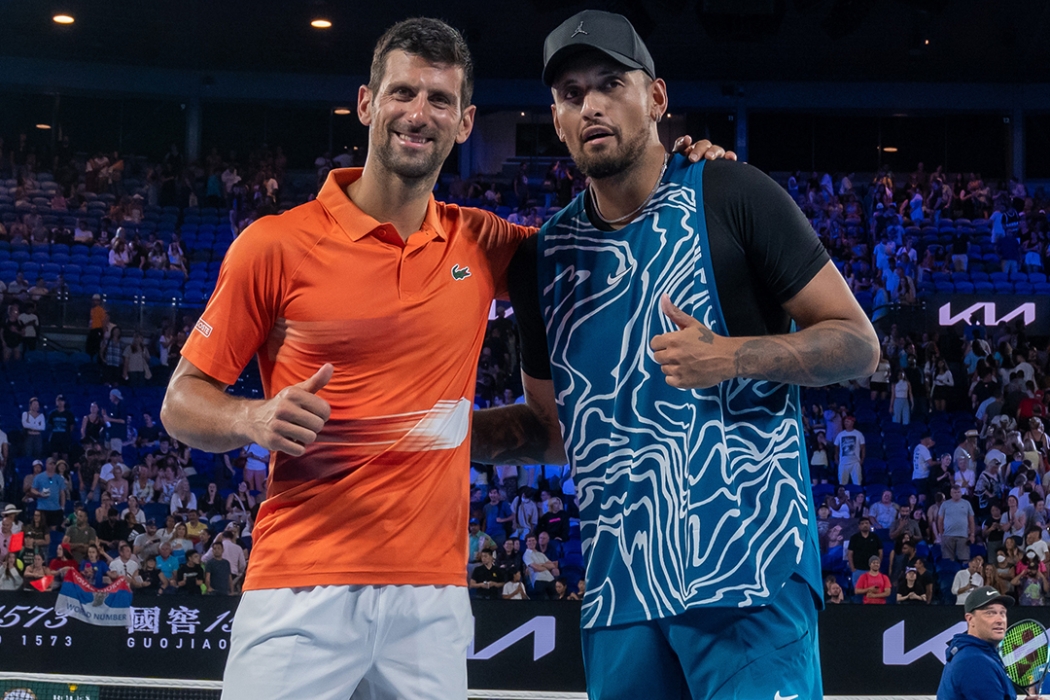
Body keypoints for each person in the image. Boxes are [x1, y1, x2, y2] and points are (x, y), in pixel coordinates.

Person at [161, 18, 724, 699]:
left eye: (438, 100)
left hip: (430, 599)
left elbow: (604, 231)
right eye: (402, 93)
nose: (417, 114)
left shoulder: (485, 242)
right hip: (298, 586)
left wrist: (683, 172)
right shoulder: (273, 245)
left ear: (464, 123)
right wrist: (254, 419)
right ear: (368, 104)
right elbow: (182, 402)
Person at [472, 12, 878, 700]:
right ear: (557, 120)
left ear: (656, 98)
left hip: (748, 571)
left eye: (609, 84)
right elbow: (548, 433)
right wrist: (422, 429)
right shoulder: (544, 259)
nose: (591, 105)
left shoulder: (731, 193)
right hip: (620, 594)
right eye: (571, 94)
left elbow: (856, 344)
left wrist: (732, 356)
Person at [936, 586, 1023, 700]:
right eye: (990, 613)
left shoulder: (973, 653)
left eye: (1002, 613)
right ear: (970, 619)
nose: (1000, 620)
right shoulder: (974, 661)